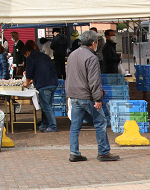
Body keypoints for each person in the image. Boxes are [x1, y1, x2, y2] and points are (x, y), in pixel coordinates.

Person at [66, 30, 119, 162]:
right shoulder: (92, 58)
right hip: (87, 96)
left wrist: (68, 94)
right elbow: (94, 80)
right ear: (94, 43)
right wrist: (98, 99)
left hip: (74, 95)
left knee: (75, 125)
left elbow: (69, 76)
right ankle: (103, 151)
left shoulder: (72, 55)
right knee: (100, 122)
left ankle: (74, 152)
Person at [22, 42, 58, 132]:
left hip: (44, 84)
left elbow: (29, 73)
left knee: (46, 107)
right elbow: (41, 70)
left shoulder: (31, 58)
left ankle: (53, 126)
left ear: (27, 53)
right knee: (47, 106)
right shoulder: (44, 56)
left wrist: (26, 83)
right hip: (53, 82)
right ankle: (45, 124)